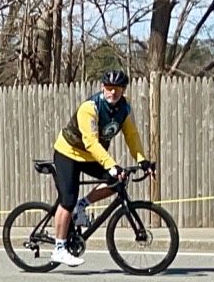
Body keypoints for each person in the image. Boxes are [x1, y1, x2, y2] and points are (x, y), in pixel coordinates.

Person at [48, 69, 156, 267]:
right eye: (108, 88)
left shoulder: (124, 109)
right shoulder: (90, 108)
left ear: (123, 90)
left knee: (118, 181)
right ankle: (59, 248)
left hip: (91, 157)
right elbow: (91, 142)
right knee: (67, 199)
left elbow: (132, 136)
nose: (112, 93)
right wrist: (111, 164)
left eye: (116, 89)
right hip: (68, 153)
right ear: (102, 88)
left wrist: (142, 160)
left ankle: (82, 205)